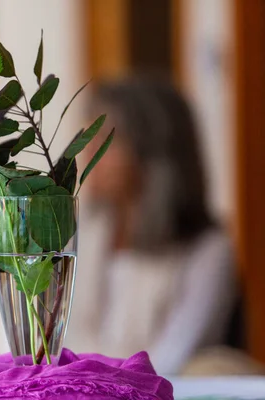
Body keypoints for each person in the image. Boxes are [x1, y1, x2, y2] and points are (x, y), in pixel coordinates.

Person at [67, 76, 236, 374]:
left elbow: (171, 360)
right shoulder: (86, 233)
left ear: (153, 153)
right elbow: (60, 343)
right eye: (88, 136)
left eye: (107, 139)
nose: (89, 151)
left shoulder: (208, 251)